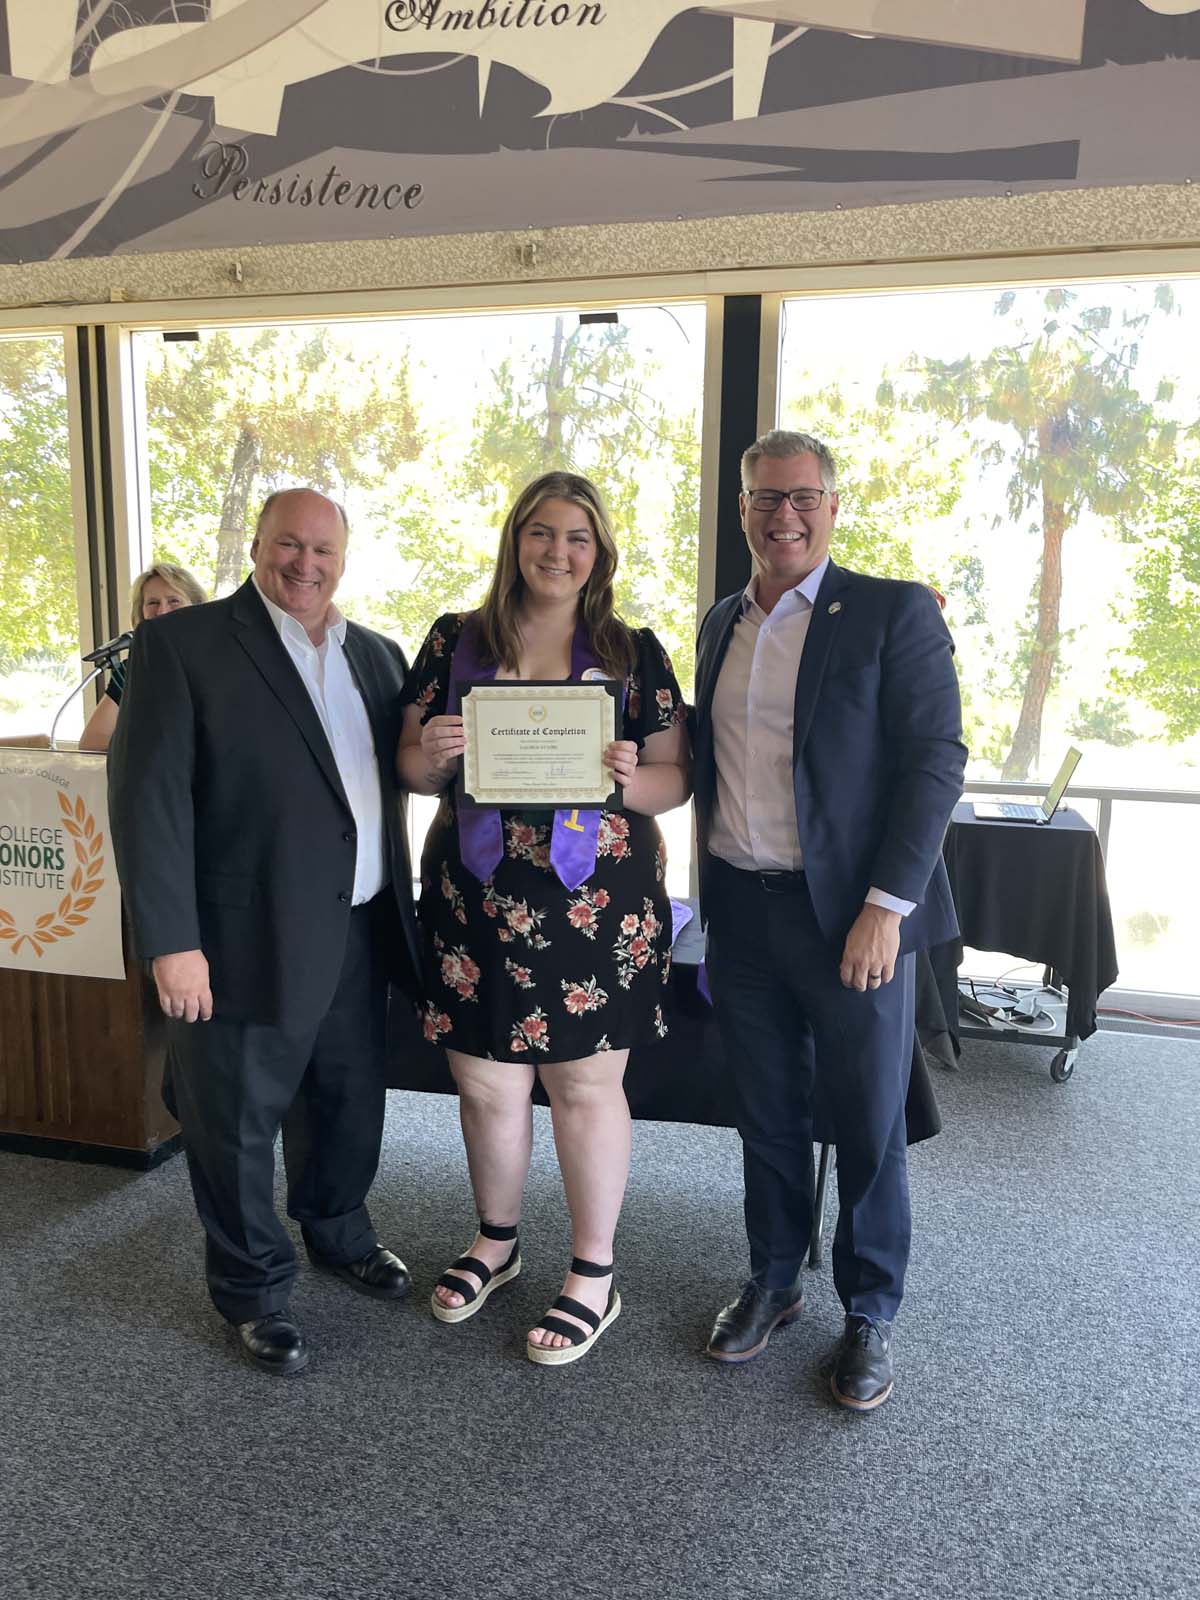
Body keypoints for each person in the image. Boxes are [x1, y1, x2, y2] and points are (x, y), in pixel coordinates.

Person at [109, 488, 421, 1377]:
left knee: (348, 1099)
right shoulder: (182, 644)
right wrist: (171, 941)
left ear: (345, 559)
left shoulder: (377, 656)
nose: (306, 564)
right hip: (235, 938)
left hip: (358, 927)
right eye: (289, 544)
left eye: (325, 550)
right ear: (257, 544)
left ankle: (338, 1231)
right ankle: (252, 1289)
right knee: (235, 1119)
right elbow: (147, 801)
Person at [692, 430, 965, 1411]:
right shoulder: (722, 619)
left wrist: (886, 909)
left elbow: (936, 761)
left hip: (853, 924)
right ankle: (773, 1279)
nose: (784, 515)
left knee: (866, 1121)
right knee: (763, 1113)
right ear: (742, 511)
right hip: (743, 912)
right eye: (765, 499)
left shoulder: (889, 612)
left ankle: (870, 1307)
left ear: (834, 505)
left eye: (803, 496)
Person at [397, 471, 689, 1366]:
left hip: (595, 908)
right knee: (486, 1082)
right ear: (514, 538)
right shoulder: (455, 639)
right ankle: (497, 1238)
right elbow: (407, 763)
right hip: (474, 896)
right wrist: (434, 757)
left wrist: (623, 778)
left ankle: (593, 1275)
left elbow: (675, 780)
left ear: (599, 553)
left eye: (577, 538)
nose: (557, 552)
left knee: (585, 1088)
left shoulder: (632, 651)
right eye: (541, 533)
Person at [78, 563, 207, 751]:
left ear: (197, 608)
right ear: (142, 613)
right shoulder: (131, 670)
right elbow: (92, 744)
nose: (162, 611)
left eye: (174, 601)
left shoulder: (221, 661)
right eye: (153, 603)